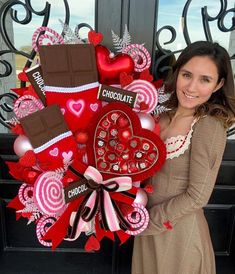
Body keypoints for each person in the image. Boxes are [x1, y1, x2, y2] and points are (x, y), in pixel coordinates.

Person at [131, 41, 235, 274]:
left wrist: (147, 222)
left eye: (205, 80)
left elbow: (197, 196)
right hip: (145, 229)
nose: (191, 87)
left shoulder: (208, 126)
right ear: (177, 74)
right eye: (187, 75)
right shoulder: (160, 118)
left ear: (218, 85)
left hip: (177, 235)